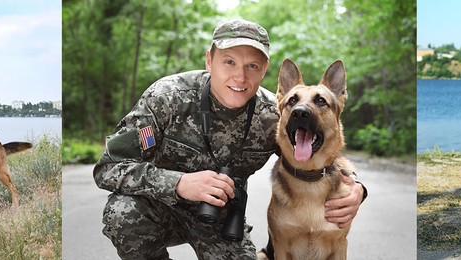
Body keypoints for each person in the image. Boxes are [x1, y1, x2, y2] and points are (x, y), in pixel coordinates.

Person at [94, 19, 364, 259]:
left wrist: (358, 191)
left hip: (220, 219)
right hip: (159, 207)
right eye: (229, 61)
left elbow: (318, 158)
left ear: (264, 70)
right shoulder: (167, 97)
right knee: (124, 213)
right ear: (209, 61)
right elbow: (107, 168)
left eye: (252, 65)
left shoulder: (278, 114)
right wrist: (178, 183)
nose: (240, 76)